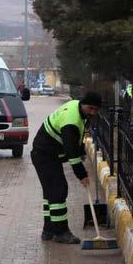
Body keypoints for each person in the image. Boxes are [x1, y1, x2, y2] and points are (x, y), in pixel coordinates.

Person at [31, 91, 102, 244]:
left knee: (51, 191)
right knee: (58, 189)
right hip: (44, 154)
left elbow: (76, 140)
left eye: (96, 110)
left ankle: (48, 230)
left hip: (48, 153)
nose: (93, 112)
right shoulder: (72, 120)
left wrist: (81, 149)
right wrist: (81, 174)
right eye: (91, 108)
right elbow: (71, 154)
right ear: (83, 104)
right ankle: (61, 232)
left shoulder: (78, 108)